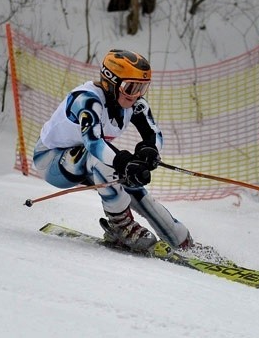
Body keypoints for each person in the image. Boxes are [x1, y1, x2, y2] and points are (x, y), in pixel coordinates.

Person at [33, 49, 192, 252]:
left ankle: (181, 240)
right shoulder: (87, 100)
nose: (136, 95)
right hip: (51, 161)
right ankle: (120, 226)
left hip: (82, 158)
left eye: (142, 88)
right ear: (111, 81)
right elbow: (94, 143)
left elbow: (154, 133)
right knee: (108, 161)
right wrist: (124, 162)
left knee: (132, 183)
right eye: (131, 87)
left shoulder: (135, 103)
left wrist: (150, 150)